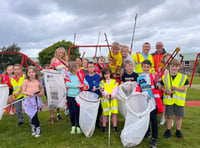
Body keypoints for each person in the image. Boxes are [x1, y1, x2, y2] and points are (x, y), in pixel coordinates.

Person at [137, 60, 163, 148]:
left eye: (148, 67)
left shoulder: (154, 76)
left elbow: (159, 86)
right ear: (142, 67)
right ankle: (147, 132)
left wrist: (157, 85)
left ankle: (154, 138)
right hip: (144, 100)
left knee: (153, 118)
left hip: (153, 100)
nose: (146, 68)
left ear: (150, 68)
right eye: (144, 66)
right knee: (146, 117)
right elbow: (139, 88)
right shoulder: (139, 78)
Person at [160, 59, 189, 139]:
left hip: (179, 101)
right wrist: (166, 91)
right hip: (169, 100)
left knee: (178, 117)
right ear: (169, 67)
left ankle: (178, 131)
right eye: (172, 66)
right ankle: (168, 130)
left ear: (179, 67)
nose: (174, 68)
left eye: (176, 66)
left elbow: (184, 89)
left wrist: (175, 88)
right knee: (169, 116)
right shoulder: (165, 77)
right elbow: (162, 87)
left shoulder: (183, 77)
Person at [66, 62, 89, 134]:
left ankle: (78, 126)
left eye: (75, 70)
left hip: (78, 96)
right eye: (72, 71)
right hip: (70, 96)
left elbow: (86, 84)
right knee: (72, 112)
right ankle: (73, 126)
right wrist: (78, 85)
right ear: (69, 70)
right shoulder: (67, 75)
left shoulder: (80, 75)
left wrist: (85, 87)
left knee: (78, 112)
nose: (74, 72)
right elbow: (67, 84)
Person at [22, 66, 44, 137]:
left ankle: (38, 128)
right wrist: (29, 93)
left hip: (36, 99)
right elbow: (23, 91)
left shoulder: (38, 81)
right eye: (29, 72)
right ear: (27, 74)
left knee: (34, 114)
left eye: (33, 72)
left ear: (35, 73)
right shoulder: (26, 81)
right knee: (30, 114)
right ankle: (32, 126)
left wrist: (41, 92)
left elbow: (42, 88)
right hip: (29, 99)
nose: (31, 74)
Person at [51, 47, 69, 120]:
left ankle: (67, 108)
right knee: (58, 96)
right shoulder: (54, 60)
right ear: (57, 53)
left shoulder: (65, 60)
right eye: (60, 52)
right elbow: (51, 68)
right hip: (58, 79)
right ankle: (58, 114)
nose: (61, 54)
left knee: (67, 95)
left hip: (66, 79)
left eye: (62, 53)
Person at [99, 67, 119, 133]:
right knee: (105, 113)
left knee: (113, 113)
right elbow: (102, 89)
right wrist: (107, 94)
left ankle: (115, 126)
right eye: (105, 74)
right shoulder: (101, 82)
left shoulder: (114, 81)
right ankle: (104, 126)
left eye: (107, 74)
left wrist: (112, 95)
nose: (106, 75)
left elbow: (115, 89)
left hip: (113, 100)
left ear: (110, 73)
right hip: (105, 100)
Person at [85, 62, 102, 128]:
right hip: (88, 94)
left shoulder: (97, 75)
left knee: (98, 109)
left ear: (94, 68)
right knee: (89, 109)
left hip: (96, 94)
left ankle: (96, 123)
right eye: (89, 67)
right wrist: (87, 87)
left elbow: (97, 82)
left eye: (92, 67)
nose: (91, 68)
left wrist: (95, 86)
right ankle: (90, 122)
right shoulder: (86, 76)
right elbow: (85, 84)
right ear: (87, 68)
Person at [158, 53, 172, 125]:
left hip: (170, 88)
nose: (167, 60)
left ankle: (170, 118)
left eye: (169, 58)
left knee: (170, 104)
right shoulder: (161, 68)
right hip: (163, 88)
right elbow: (158, 77)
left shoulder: (172, 67)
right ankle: (163, 117)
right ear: (163, 59)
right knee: (163, 103)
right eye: (166, 58)